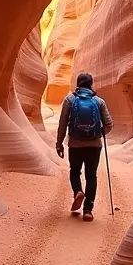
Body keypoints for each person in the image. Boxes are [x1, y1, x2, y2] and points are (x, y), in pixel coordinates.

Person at [55, 72, 113, 221]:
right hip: (94, 145)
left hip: (75, 144)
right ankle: (88, 210)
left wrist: (59, 143)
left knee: (75, 171)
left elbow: (62, 124)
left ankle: (78, 192)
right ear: (91, 84)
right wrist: (98, 134)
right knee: (91, 175)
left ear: (78, 84)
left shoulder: (69, 99)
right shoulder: (99, 101)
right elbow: (109, 124)